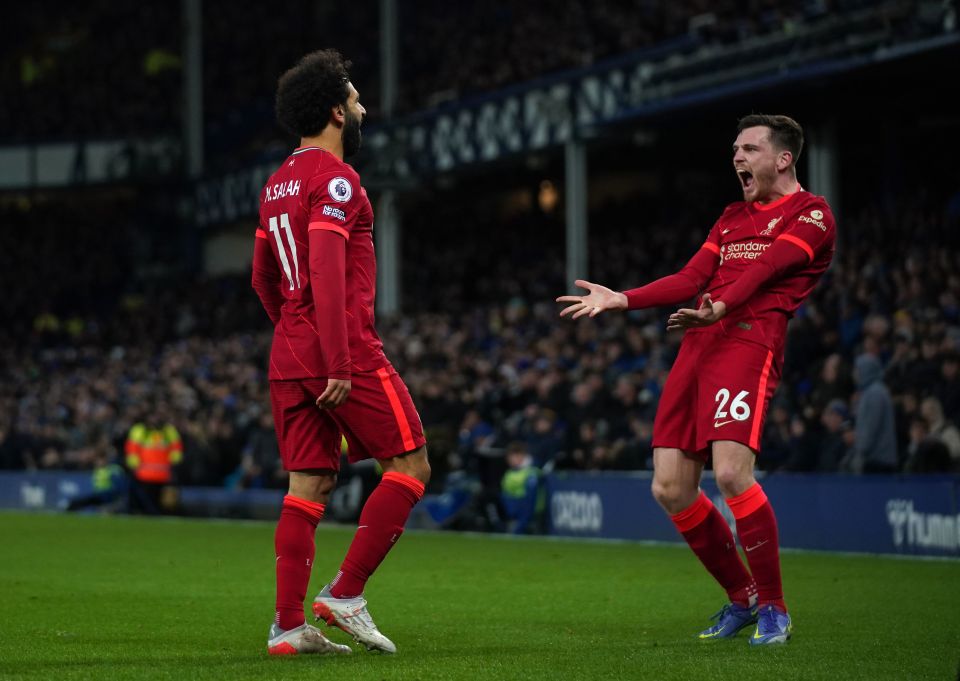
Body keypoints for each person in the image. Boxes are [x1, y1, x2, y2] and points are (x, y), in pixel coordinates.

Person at [557, 114, 835, 645]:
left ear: (783, 159)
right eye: (734, 149)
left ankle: (775, 607)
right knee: (669, 486)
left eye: (749, 149)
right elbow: (690, 278)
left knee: (732, 474)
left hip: (748, 340)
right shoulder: (731, 217)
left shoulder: (813, 214)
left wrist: (721, 306)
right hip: (699, 344)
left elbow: (770, 267)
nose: (737, 158)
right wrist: (623, 298)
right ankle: (742, 597)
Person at [251, 49, 430, 657]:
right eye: (354, 99)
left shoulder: (276, 184)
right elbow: (326, 273)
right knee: (411, 466)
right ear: (334, 111)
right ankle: (345, 593)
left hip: (288, 355)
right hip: (342, 348)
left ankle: (287, 625)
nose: (362, 107)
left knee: (309, 485)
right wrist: (337, 360)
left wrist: (295, 336)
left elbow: (262, 280)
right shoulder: (336, 179)